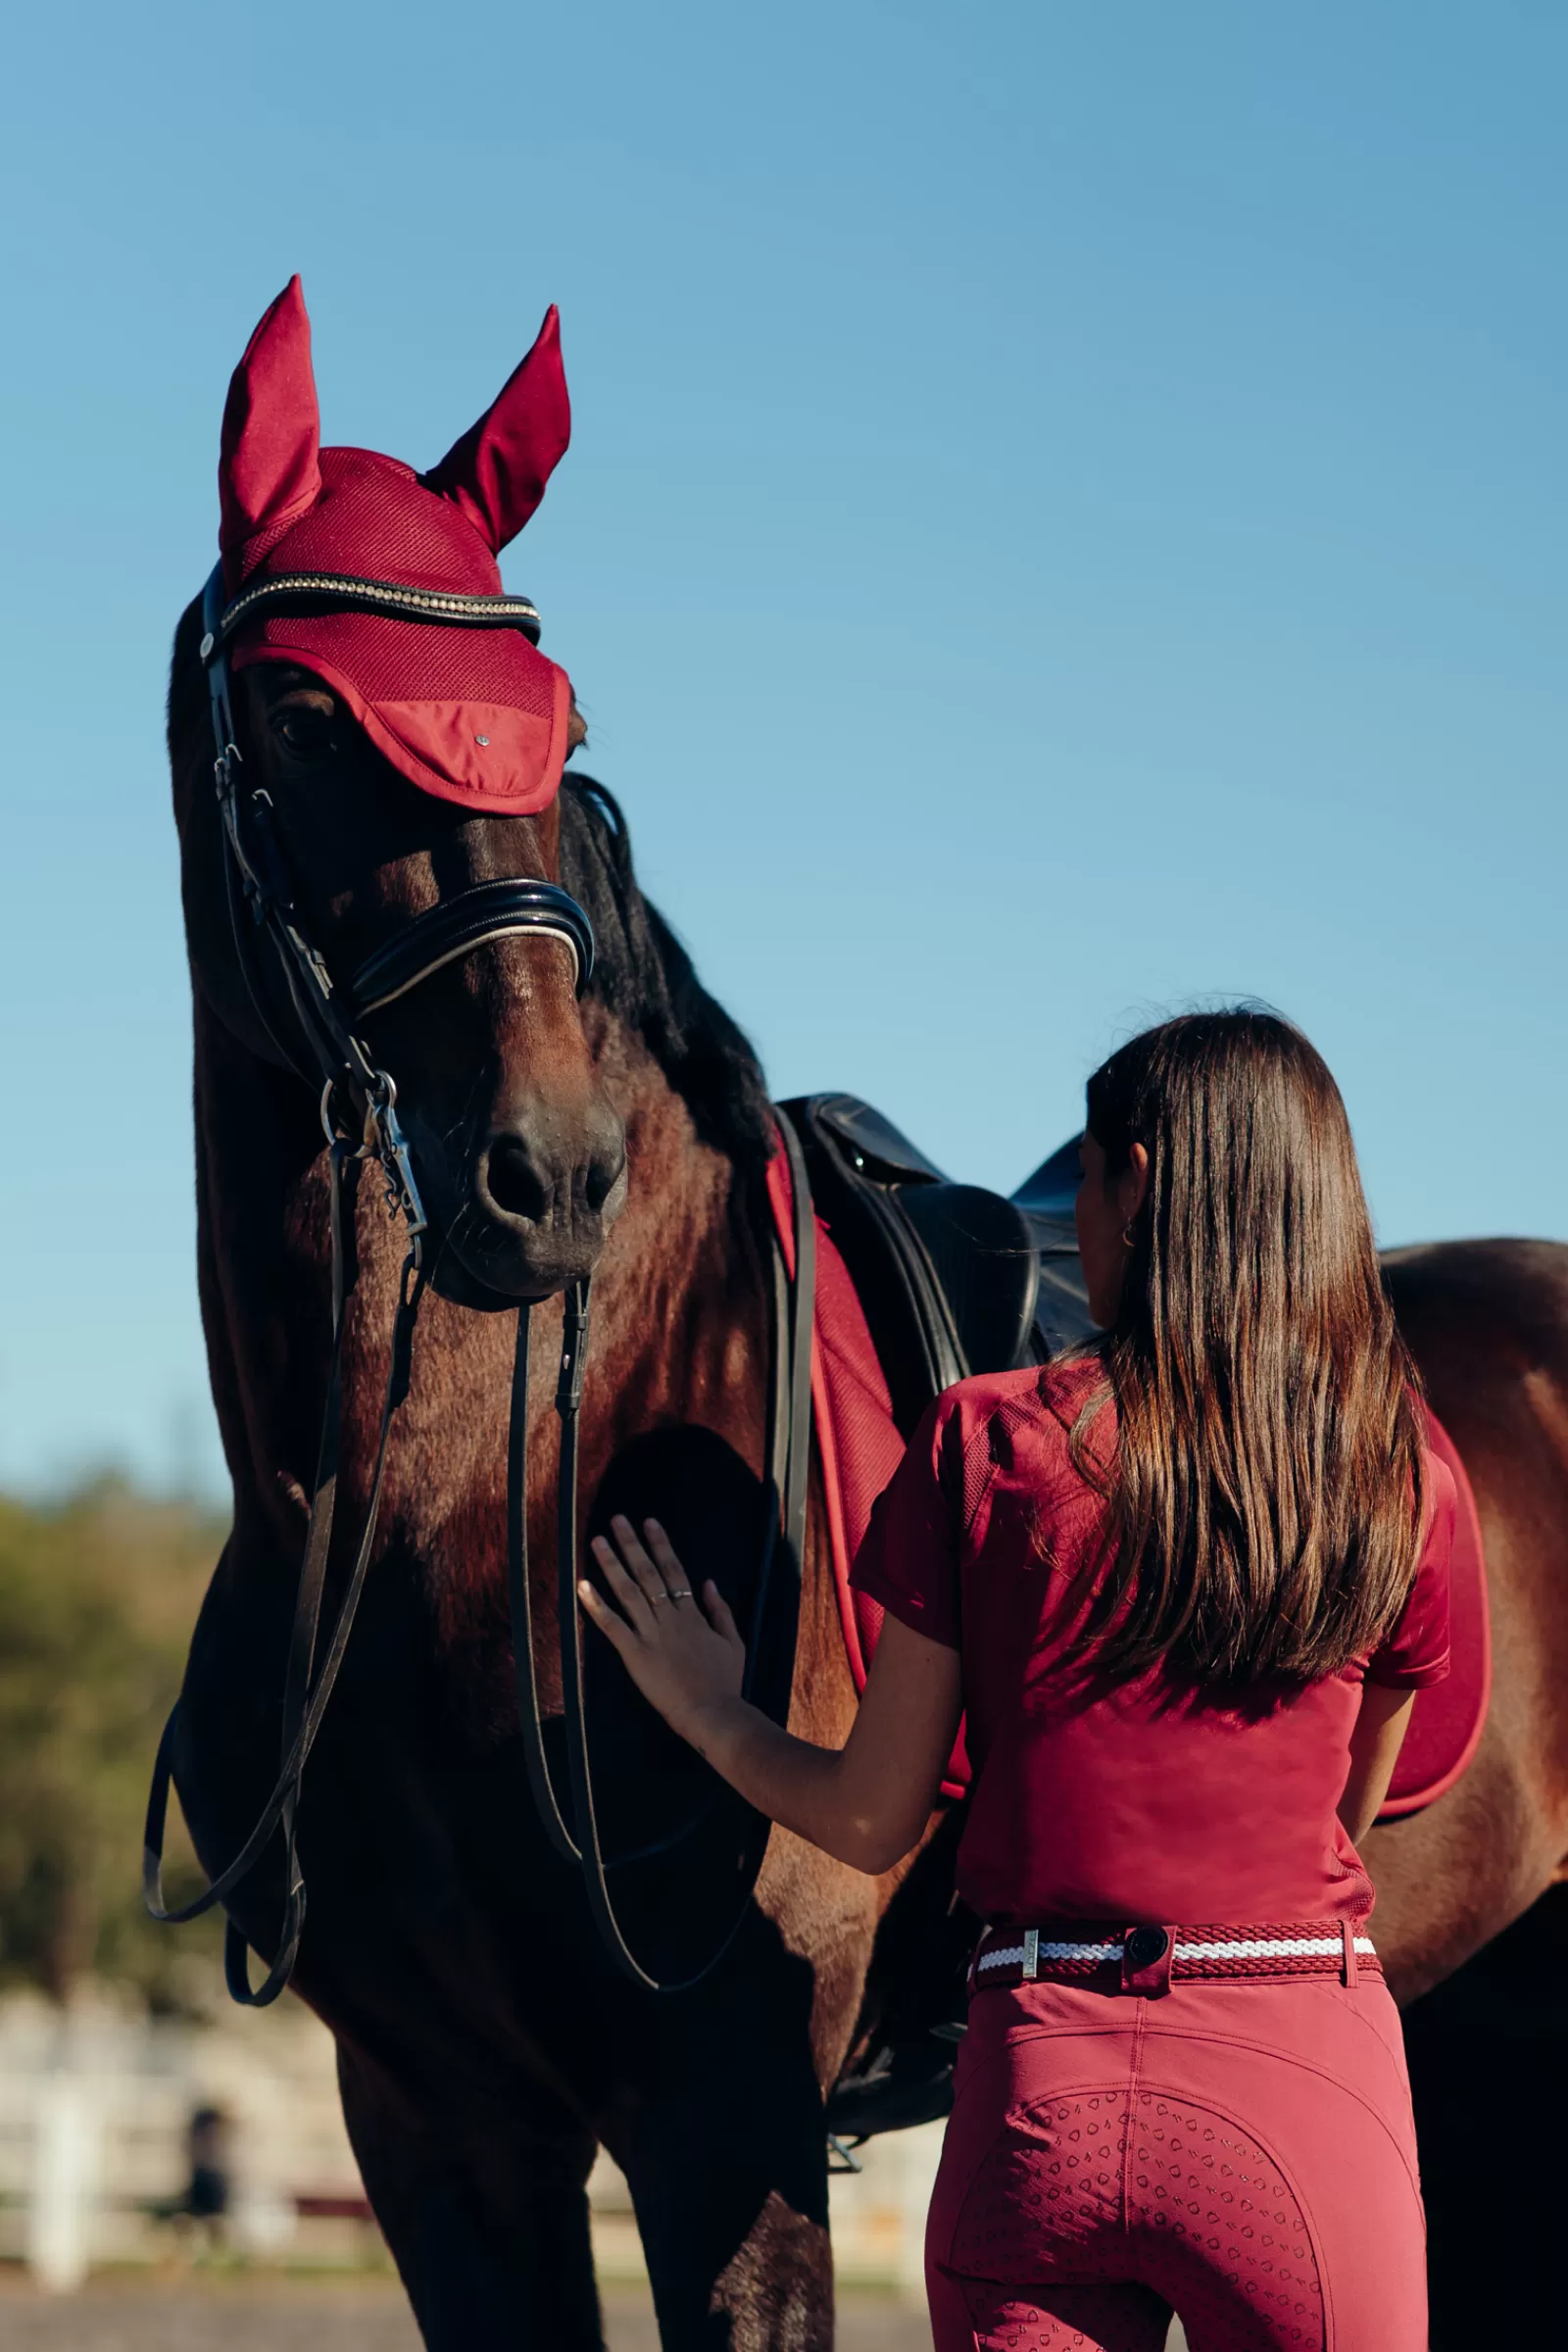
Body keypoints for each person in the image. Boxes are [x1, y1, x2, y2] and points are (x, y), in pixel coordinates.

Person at [584, 1009, 1450, 2352]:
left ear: (1145, 1181)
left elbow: (871, 1819)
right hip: (1299, 2085)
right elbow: (1349, 1815)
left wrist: (704, 1704)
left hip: (1044, 2092)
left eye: (1091, 1176)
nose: (1080, 1218)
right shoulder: (1402, 1471)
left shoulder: (989, 1440)